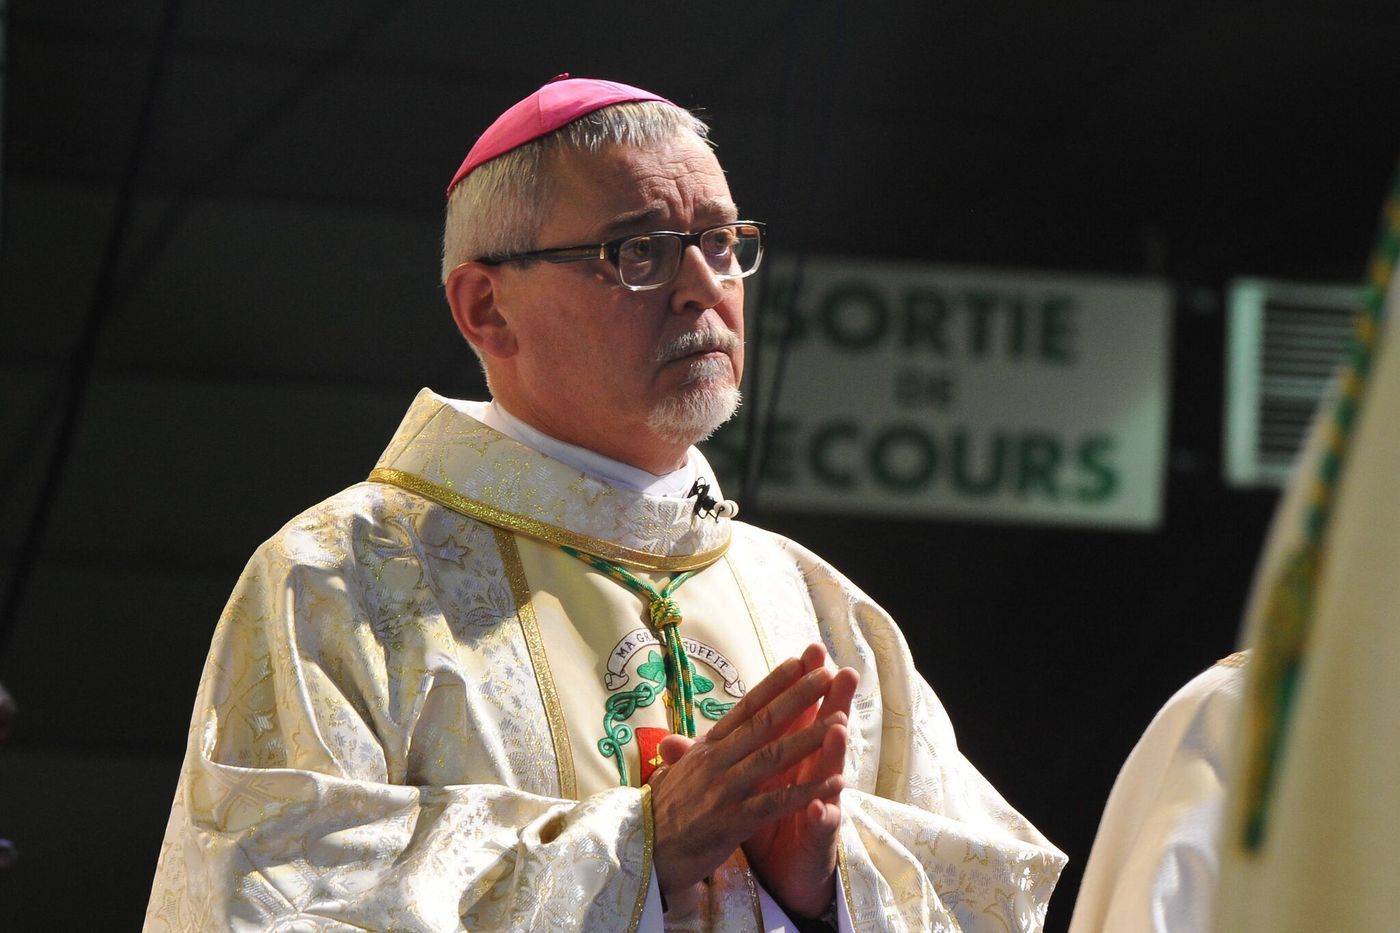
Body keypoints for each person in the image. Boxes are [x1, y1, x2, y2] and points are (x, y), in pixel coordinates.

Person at [144, 75, 1064, 931]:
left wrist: (827, 889)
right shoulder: (344, 580)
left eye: (721, 242)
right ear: (485, 309)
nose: (704, 286)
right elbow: (273, 895)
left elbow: (989, 889)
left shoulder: (816, 605)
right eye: (639, 251)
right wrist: (640, 850)